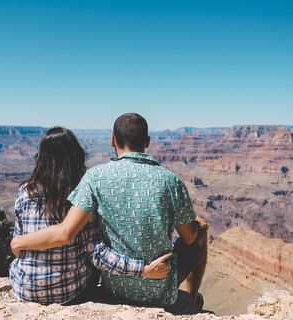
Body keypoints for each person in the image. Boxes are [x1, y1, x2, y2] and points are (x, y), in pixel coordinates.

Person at [11, 114, 208, 307]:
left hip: (100, 286)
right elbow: (189, 238)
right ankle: (191, 297)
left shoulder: (91, 179)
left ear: (113, 140)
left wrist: (18, 242)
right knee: (201, 229)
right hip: (151, 285)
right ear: (147, 142)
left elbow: (36, 240)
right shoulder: (171, 181)